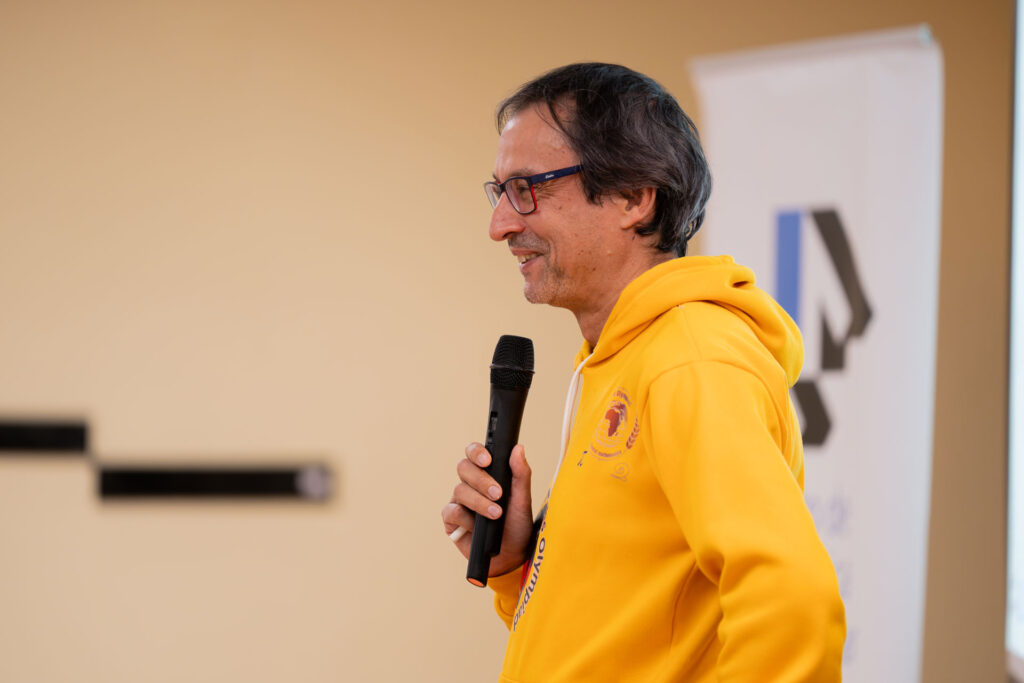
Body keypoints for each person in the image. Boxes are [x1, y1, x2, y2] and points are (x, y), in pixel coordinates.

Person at [441, 62, 846, 682]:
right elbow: (611, 640)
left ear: (634, 195)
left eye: (528, 188)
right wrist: (515, 565)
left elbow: (795, 605)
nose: (500, 225)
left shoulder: (690, 360)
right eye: (499, 192)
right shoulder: (620, 358)